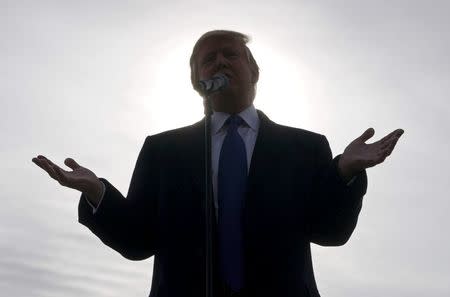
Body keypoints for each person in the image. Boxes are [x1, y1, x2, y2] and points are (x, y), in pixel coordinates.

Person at [32, 30, 404, 297]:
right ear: (197, 80)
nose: (219, 61)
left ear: (253, 72)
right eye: (208, 59)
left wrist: (345, 173)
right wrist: (98, 192)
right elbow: (137, 240)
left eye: (230, 54)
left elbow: (330, 231)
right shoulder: (163, 149)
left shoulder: (305, 146)